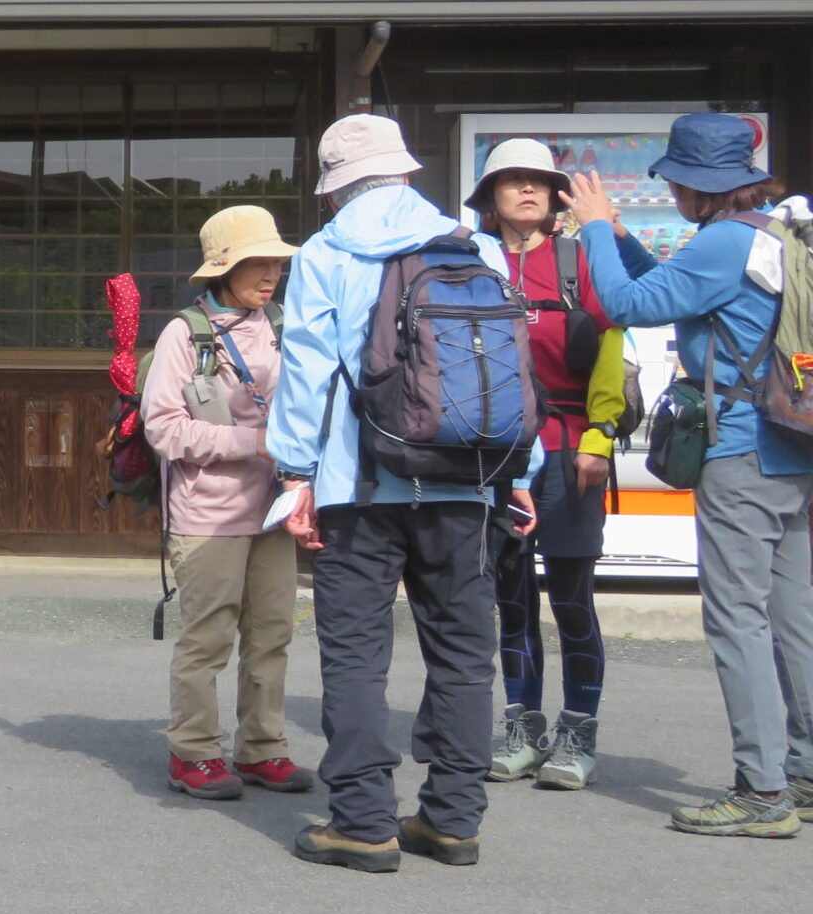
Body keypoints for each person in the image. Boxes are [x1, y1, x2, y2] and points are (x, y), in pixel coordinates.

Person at [266, 114, 539, 873]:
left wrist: (295, 475)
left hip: (359, 486)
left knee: (357, 654)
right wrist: (520, 473)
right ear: (408, 173)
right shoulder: (477, 247)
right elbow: (509, 368)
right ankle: (453, 820)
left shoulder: (326, 253)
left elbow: (307, 373)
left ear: (337, 188)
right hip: (470, 482)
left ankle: (363, 822)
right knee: (463, 652)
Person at [566, 115, 813, 838]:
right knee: (795, 619)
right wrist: (622, 239)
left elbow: (625, 304)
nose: (672, 193)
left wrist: (595, 229)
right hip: (793, 447)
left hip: (740, 451)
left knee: (737, 620)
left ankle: (761, 792)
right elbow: (676, 287)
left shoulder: (723, 241)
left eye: (676, 182)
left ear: (698, 186)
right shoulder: (775, 233)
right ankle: (803, 773)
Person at [469, 139, 630, 791]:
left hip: (569, 447)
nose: (528, 189)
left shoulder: (578, 258)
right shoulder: (473, 260)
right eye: (512, 180)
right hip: (500, 454)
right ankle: (523, 728)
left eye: (539, 180)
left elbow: (613, 344)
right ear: (491, 195)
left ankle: (578, 732)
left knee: (570, 598)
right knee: (511, 599)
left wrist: (601, 436)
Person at [142, 205, 310, 801]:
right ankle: (193, 752)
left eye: (276, 263)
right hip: (207, 516)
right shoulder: (184, 333)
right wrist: (254, 442)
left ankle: (262, 748)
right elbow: (163, 428)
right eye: (256, 262)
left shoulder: (285, 325)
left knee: (271, 635)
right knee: (208, 639)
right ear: (222, 267)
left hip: (275, 510)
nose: (270, 274)